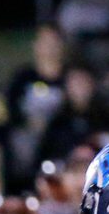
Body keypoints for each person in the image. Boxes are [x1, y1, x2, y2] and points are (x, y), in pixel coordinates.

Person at [5, 23, 68, 189]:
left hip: (58, 152)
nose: (49, 48)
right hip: (24, 154)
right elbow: (10, 110)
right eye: (44, 42)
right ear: (36, 46)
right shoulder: (22, 78)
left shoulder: (69, 79)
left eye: (53, 43)